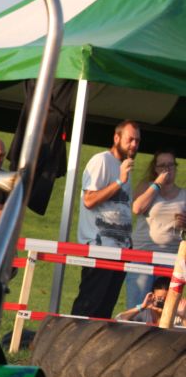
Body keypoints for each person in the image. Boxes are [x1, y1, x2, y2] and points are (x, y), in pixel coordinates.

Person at [71, 120, 140, 318]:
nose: (134, 144)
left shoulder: (124, 166)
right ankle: (71, 343)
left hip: (121, 249)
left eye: (137, 140)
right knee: (89, 305)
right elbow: (89, 200)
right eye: (130, 139)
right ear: (116, 138)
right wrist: (119, 182)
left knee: (105, 309)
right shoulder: (101, 160)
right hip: (100, 247)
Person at [126, 150, 186, 309]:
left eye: (170, 165)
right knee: (138, 306)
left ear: (176, 167)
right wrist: (157, 184)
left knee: (163, 310)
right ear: (155, 168)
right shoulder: (146, 187)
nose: (167, 169)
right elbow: (137, 208)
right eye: (162, 166)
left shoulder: (183, 195)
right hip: (142, 256)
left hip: (170, 259)